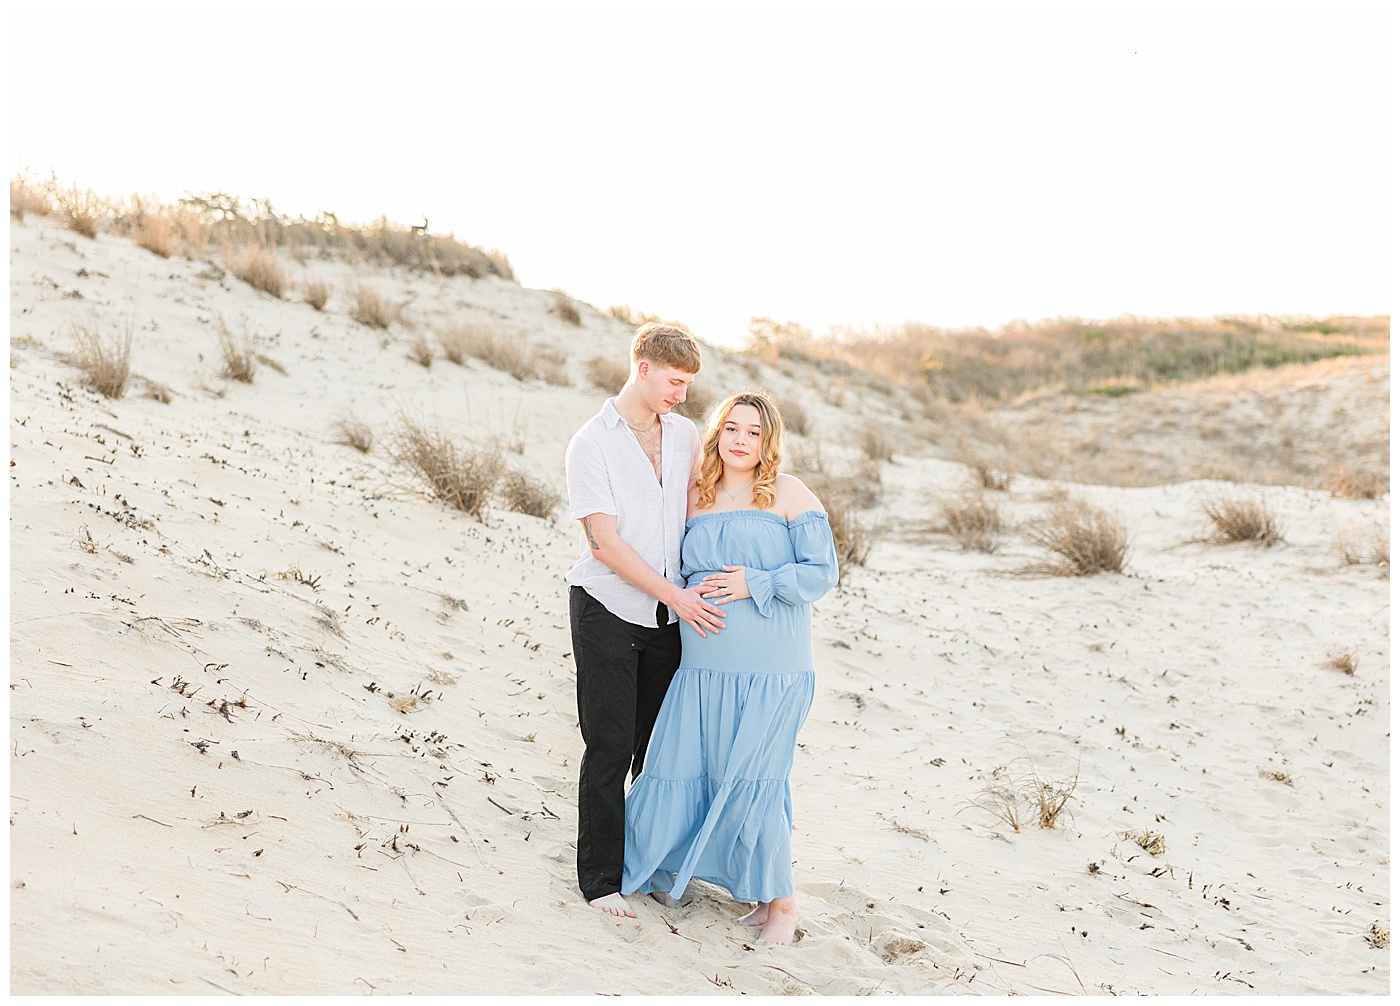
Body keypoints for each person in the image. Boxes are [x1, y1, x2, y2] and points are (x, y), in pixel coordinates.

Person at [621, 389, 839, 945]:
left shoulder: (789, 493)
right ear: (716, 435)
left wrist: (756, 581)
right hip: (702, 667)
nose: (742, 441)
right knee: (687, 765)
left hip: (771, 665)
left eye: (754, 432)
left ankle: (781, 905)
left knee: (756, 776)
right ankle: (674, 869)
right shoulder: (695, 496)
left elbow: (822, 573)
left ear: (769, 441)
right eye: (732, 429)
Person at [564, 323, 728, 919]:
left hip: (670, 614)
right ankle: (601, 880)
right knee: (609, 745)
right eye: (675, 382)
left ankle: (651, 863)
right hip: (608, 607)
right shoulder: (591, 444)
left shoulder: (683, 434)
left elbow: (702, 503)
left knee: (660, 751)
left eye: (688, 385)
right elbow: (603, 544)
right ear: (643, 369)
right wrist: (676, 597)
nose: (682, 395)